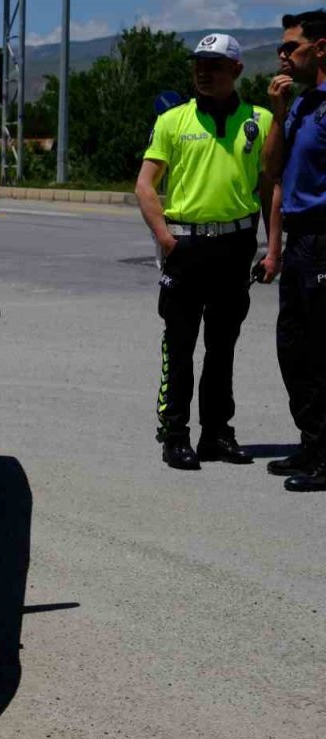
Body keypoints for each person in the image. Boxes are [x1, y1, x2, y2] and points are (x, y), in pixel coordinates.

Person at [134, 33, 272, 471]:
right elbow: (145, 185)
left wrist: (274, 248)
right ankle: (175, 435)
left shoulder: (260, 120)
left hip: (235, 246)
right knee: (180, 345)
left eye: (214, 65)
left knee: (222, 347)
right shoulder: (173, 120)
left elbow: (269, 186)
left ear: (237, 70)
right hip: (186, 246)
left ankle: (216, 435)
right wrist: (165, 238)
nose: (203, 72)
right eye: (198, 64)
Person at [261, 10, 326, 491]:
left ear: (320, 48)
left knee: (321, 351)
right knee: (294, 347)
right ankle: (312, 442)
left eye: (291, 47)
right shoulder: (301, 104)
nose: (282, 55)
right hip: (300, 241)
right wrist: (279, 112)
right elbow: (272, 172)